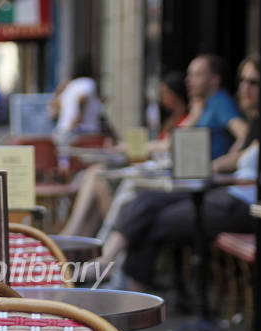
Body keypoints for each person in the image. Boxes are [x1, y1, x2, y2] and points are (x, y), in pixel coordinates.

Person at [100, 56, 261, 287]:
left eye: (253, 82)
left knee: (153, 221)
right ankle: (121, 280)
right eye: (242, 81)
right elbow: (242, 155)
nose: (244, 88)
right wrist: (213, 166)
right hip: (228, 197)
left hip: (246, 207)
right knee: (147, 201)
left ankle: (129, 289)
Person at [98, 54, 246, 282]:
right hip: (189, 178)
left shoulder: (220, 102)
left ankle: (111, 265)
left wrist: (227, 161)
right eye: (189, 74)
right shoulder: (204, 106)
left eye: (197, 74)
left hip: (203, 183)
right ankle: (116, 270)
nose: (189, 80)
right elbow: (175, 142)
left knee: (143, 201)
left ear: (214, 79)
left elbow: (243, 134)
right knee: (139, 199)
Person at [59, 71, 188, 236]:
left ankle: (97, 236)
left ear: (175, 94)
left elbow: (165, 146)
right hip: (150, 172)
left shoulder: (185, 120)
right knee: (93, 175)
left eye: (165, 93)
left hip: (157, 177)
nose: (162, 98)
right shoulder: (172, 120)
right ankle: (83, 236)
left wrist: (128, 147)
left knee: (98, 178)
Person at [50, 55, 102, 138]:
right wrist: (78, 118)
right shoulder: (88, 82)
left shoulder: (71, 85)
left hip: (63, 130)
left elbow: (55, 107)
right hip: (82, 132)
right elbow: (81, 98)